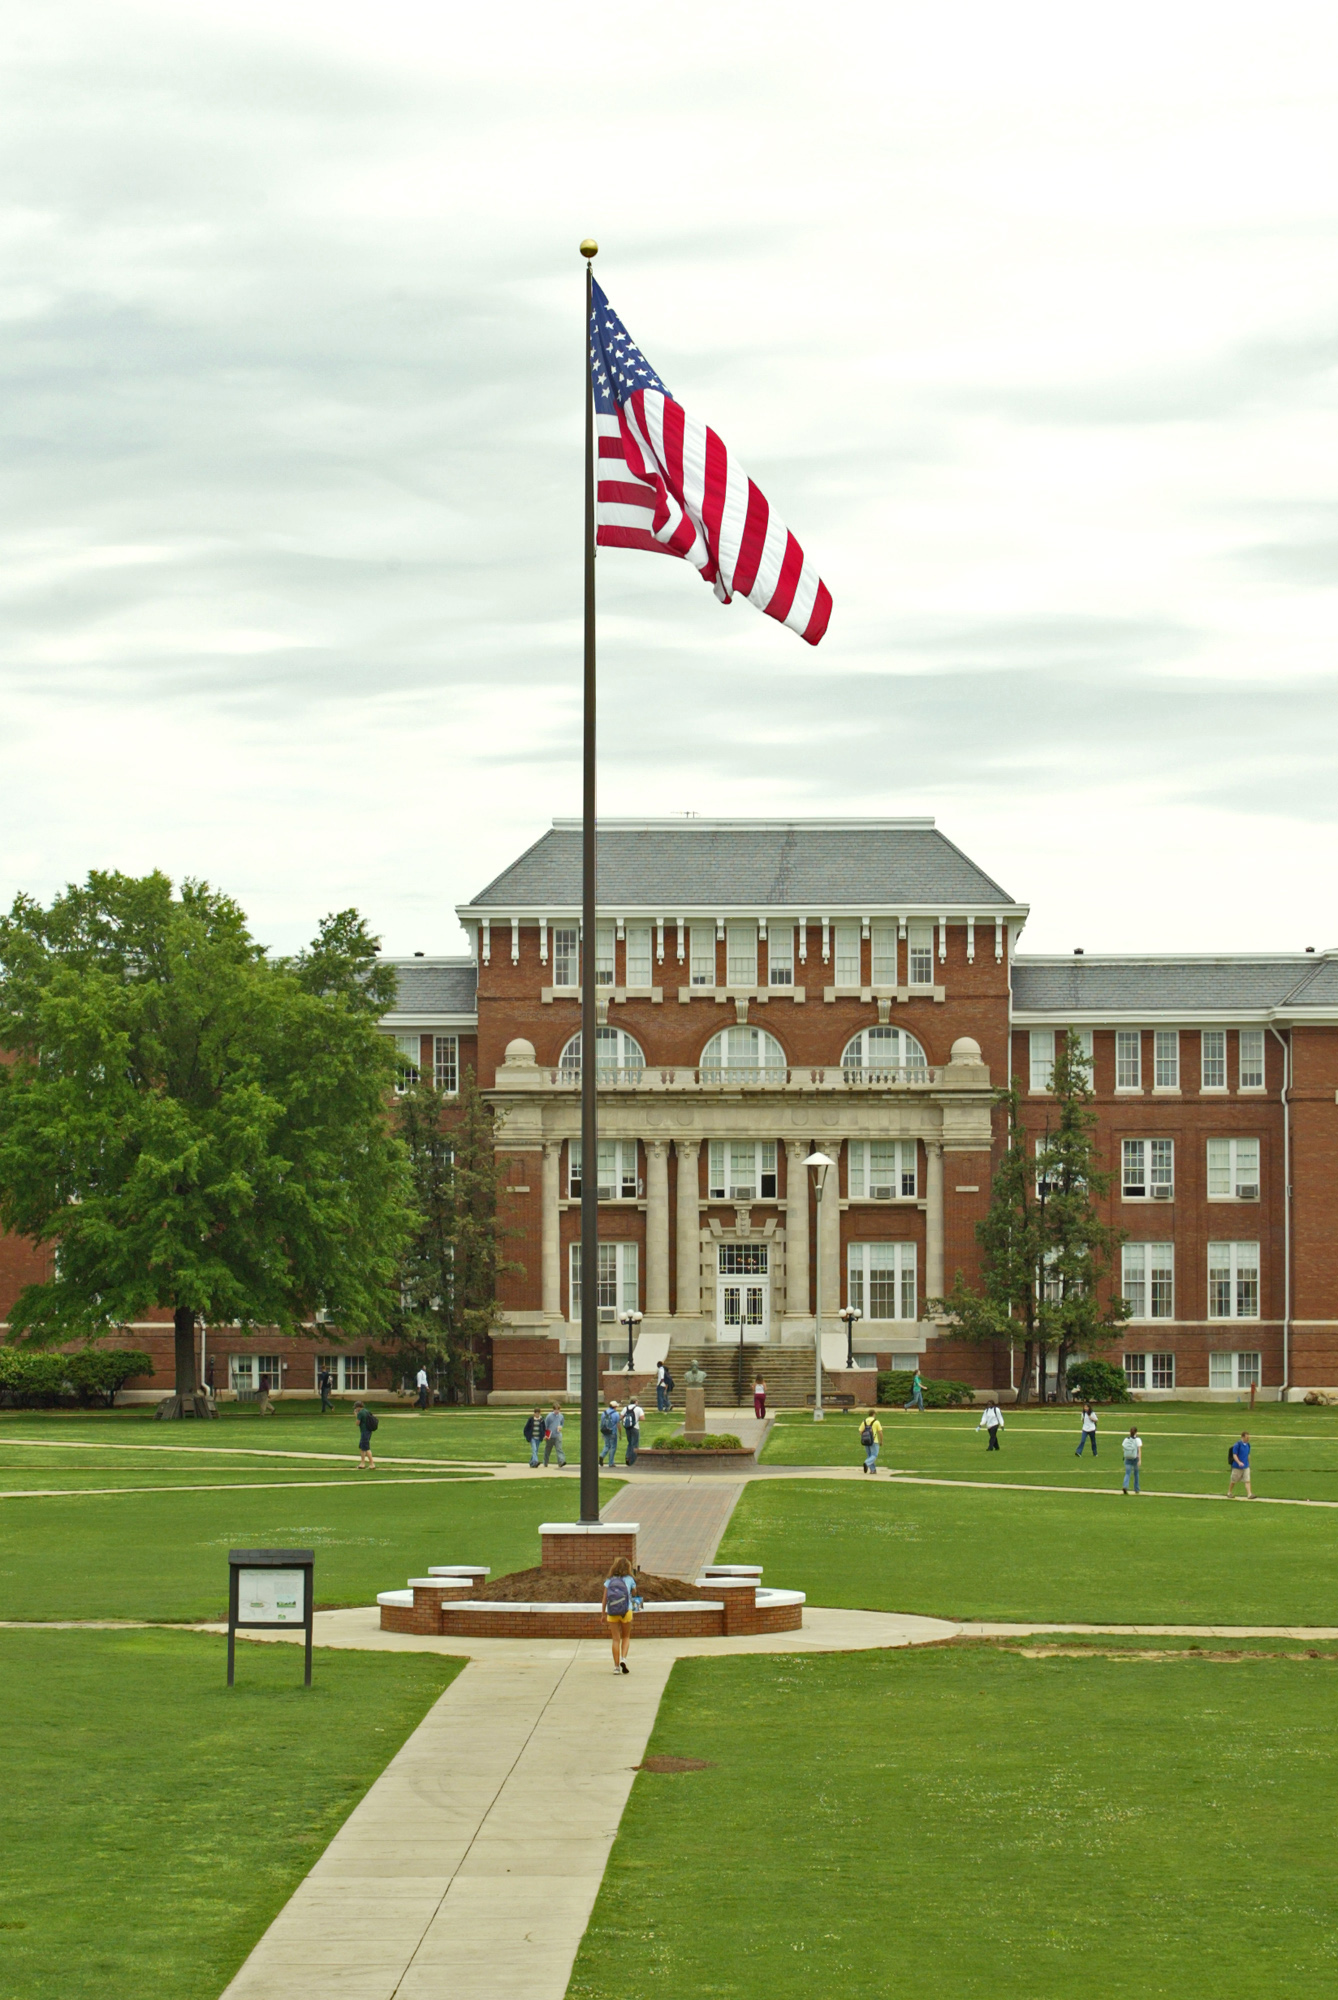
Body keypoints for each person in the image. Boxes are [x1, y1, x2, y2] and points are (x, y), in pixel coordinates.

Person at [603, 1556, 636, 1673]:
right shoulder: (630, 1580)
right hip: (626, 1611)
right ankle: (623, 1659)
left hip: (612, 1612)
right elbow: (634, 1594)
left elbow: (605, 1598)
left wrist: (603, 1613)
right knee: (626, 1636)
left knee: (616, 1639)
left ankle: (616, 1667)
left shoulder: (609, 1580)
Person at [1228, 1432, 1254, 1499]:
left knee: (1247, 1480)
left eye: (1248, 1437)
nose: (1248, 1439)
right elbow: (1234, 1455)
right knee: (1234, 1480)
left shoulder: (1248, 1445)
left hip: (1246, 1466)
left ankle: (1249, 1494)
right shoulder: (1237, 1445)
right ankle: (1229, 1492)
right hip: (1237, 1466)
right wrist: (1239, 1462)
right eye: (1246, 1437)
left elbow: (1248, 1454)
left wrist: (1249, 1463)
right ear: (1242, 1437)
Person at [599, 1395, 622, 1467]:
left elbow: (601, 1423)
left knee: (607, 1445)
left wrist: (602, 1433)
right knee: (613, 1447)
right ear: (615, 1407)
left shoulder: (604, 1413)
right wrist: (620, 1434)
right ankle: (611, 1462)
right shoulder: (616, 1414)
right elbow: (618, 1424)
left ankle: (602, 1455)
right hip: (612, 1431)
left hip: (605, 1431)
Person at [354, 1400, 378, 1469]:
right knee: (362, 1448)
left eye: (356, 1407)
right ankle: (362, 1463)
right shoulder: (366, 1411)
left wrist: (356, 1415)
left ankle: (372, 1464)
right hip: (368, 1431)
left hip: (365, 1431)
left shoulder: (361, 1413)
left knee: (366, 1448)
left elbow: (357, 1423)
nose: (355, 1409)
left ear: (358, 1407)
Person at [542, 1401, 566, 1468]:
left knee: (559, 1449)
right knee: (548, 1450)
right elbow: (546, 1426)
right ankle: (545, 1462)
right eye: (556, 1409)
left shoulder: (561, 1416)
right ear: (553, 1409)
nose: (557, 1411)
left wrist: (560, 1427)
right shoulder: (549, 1416)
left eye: (558, 1409)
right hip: (550, 1436)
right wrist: (546, 1435)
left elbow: (562, 1423)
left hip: (558, 1435)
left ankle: (561, 1461)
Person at [1121, 1424, 1142, 1494]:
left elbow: (1123, 1448)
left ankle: (1125, 1486)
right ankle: (1136, 1489)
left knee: (1127, 1473)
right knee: (1136, 1474)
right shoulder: (1137, 1440)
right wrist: (1140, 1459)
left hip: (1127, 1458)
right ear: (1136, 1432)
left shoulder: (1126, 1439)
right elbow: (1139, 1450)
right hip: (1135, 1458)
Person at [622, 1397, 643, 1465]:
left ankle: (627, 1456)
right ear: (636, 1401)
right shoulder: (638, 1408)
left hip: (627, 1427)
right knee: (635, 1444)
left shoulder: (625, 1408)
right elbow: (642, 1418)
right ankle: (633, 1461)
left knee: (630, 1443)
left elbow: (621, 1417)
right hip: (635, 1427)